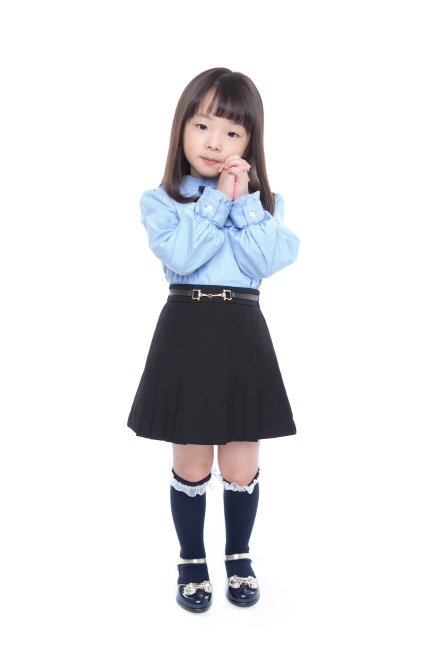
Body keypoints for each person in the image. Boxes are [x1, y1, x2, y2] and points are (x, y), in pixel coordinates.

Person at [127, 67, 300, 613]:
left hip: (243, 330)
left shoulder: (265, 204)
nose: (214, 142)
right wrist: (215, 202)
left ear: (250, 142)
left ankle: (239, 556)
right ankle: (191, 560)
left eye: (232, 132)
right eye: (202, 125)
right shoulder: (162, 200)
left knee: (241, 466)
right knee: (194, 464)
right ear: (181, 127)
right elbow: (182, 256)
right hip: (187, 329)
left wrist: (243, 200)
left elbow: (265, 262)